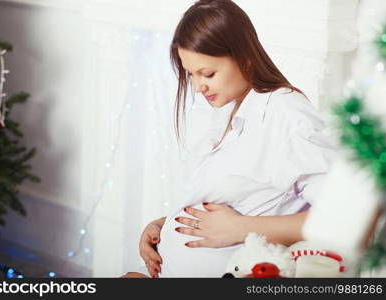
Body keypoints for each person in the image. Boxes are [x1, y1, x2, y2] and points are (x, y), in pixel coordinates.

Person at [121, 0, 337, 278]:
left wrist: (240, 229)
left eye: (208, 73)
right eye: (191, 74)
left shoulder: (288, 114)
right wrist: (164, 226)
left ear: (244, 57)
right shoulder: (231, 108)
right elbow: (245, 200)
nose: (198, 87)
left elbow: (341, 217)